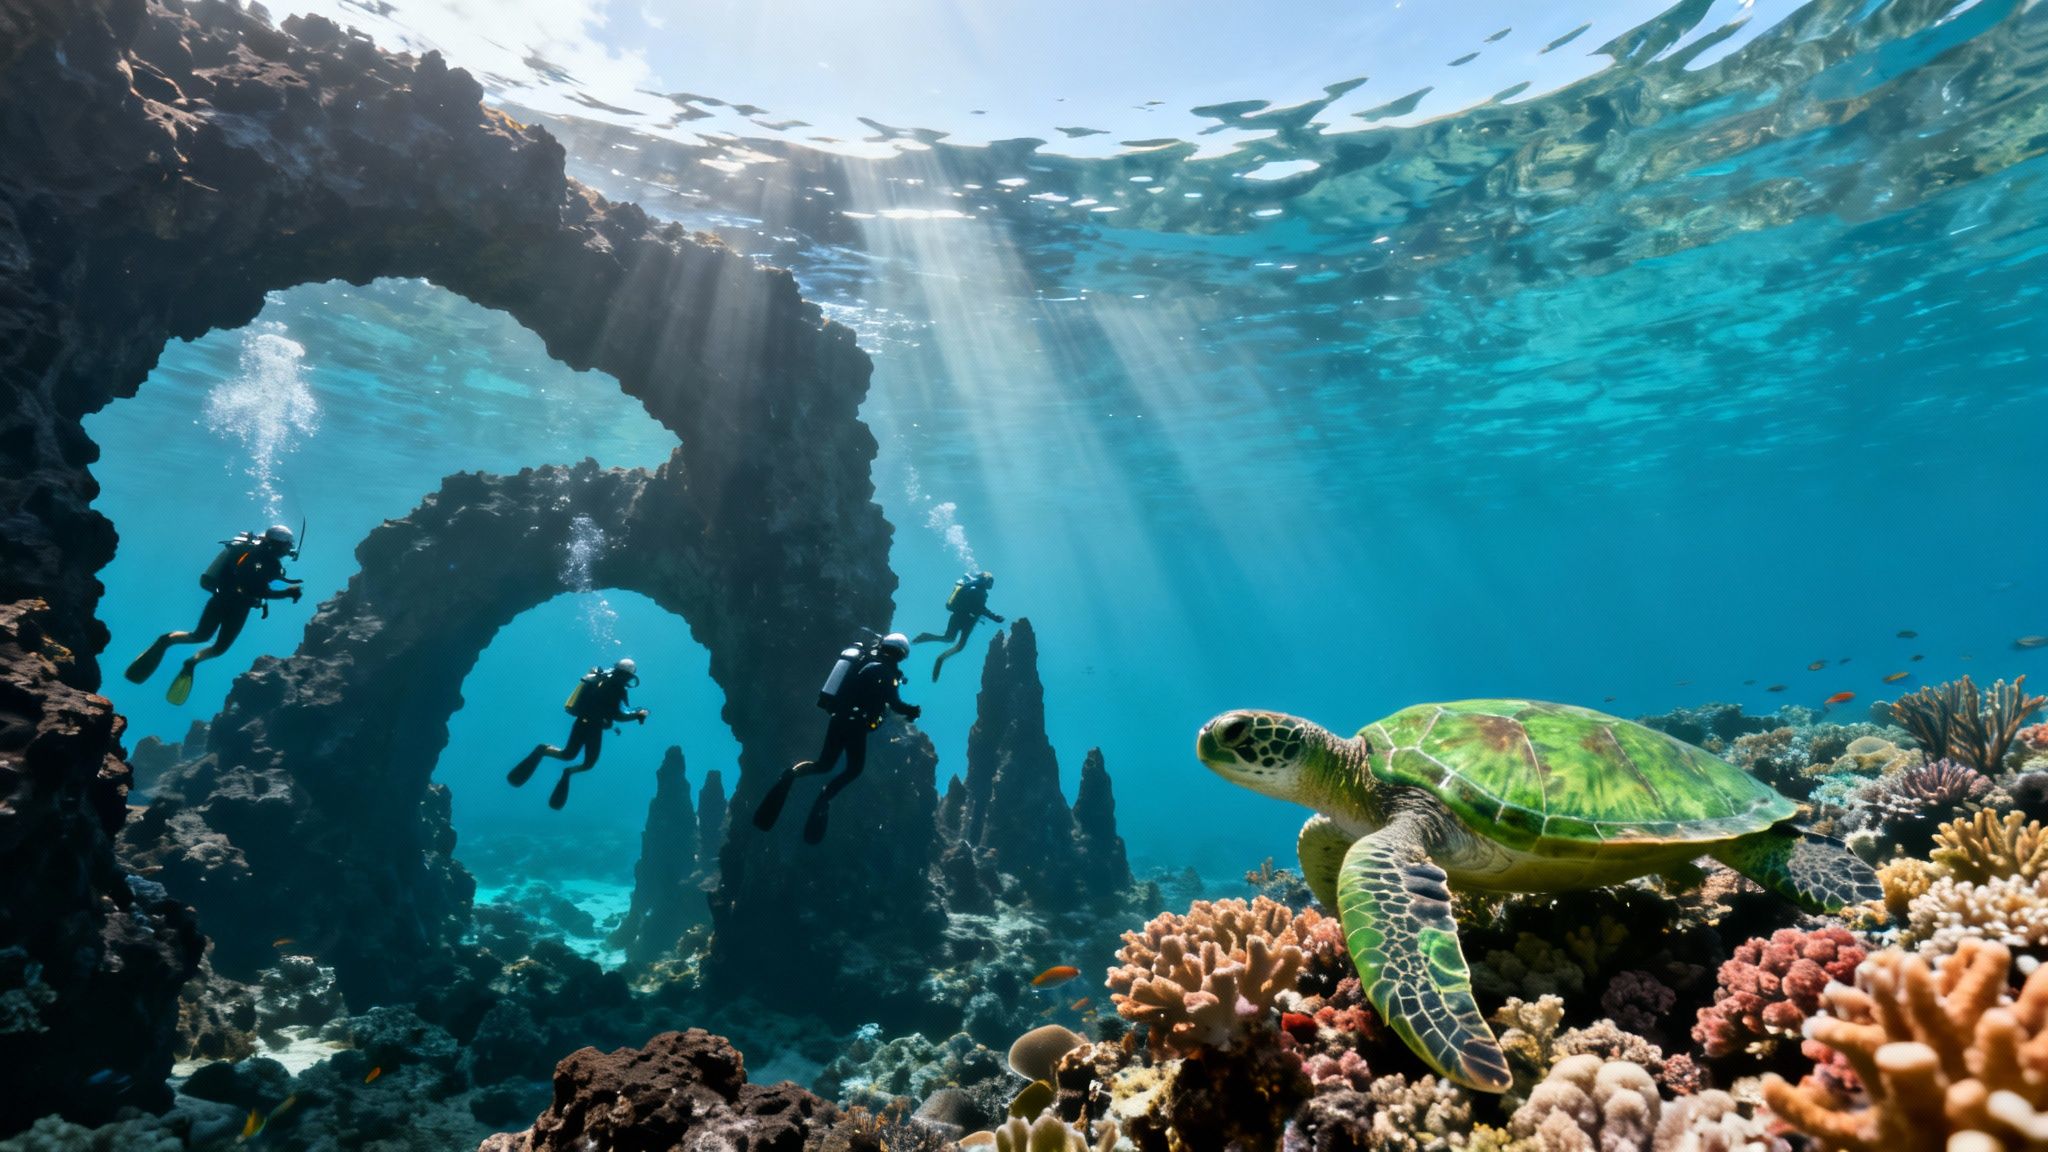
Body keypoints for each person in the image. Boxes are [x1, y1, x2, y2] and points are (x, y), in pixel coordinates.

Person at [753, 632, 920, 844]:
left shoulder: (864, 661)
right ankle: (824, 799)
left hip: (839, 718)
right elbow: (894, 703)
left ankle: (791, 775)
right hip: (856, 725)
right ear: (901, 655)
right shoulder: (886, 672)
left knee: (824, 764)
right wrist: (912, 710)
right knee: (854, 769)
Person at [125, 524, 303, 705]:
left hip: (219, 600)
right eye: (287, 545)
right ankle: (191, 662)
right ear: (278, 544)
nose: (289, 550)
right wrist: (288, 593)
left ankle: (168, 641)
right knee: (219, 648)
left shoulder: (246, 550)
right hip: (238, 608)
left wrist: (264, 595)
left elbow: (251, 584)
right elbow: (256, 589)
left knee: (200, 635)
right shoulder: (267, 561)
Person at [509, 658, 649, 810]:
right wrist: (638, 715)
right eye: (626, 676)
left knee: (575, 758)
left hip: (588, 725)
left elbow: (617, 712)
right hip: (589, 725)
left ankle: (555, 761)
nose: (625, 679)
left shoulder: (604, 682)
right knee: (579, 760)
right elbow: (618, 715)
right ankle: (548, 755)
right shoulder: (616, 689)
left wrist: (635, 714)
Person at [912, 571, 1003, 682]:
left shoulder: (972, 588)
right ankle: (940, 658)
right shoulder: (979, 591)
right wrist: (995, 617)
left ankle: (927, 638)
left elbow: (977, 607)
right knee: (959, 646)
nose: (992, 584)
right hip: (968, 621)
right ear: (985, 580)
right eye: (990, 581)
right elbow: (980, 608)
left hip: (957, 617)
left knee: (949, 638)